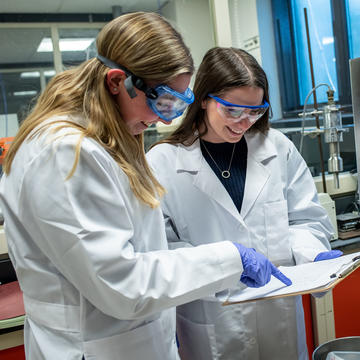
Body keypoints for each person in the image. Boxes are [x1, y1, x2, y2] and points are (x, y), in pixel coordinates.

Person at [0, 15, 291, 360]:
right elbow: (122, 283)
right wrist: (230, 258)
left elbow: (140, 252)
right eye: (163, 102)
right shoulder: (64, 152)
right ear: (117, 82)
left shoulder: (107, 141)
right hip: (94, 349)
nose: (167, 119)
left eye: (178, 104)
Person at [147, 47, 342, 360]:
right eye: (232, 110)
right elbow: (159, 249)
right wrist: (223, 261)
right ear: (204, 99)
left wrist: (313, 254)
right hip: (212, 323)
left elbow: (304, 220)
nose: (244, 122)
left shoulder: (277, 148)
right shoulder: (163, 163)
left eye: (255, 111)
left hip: (279, 318)